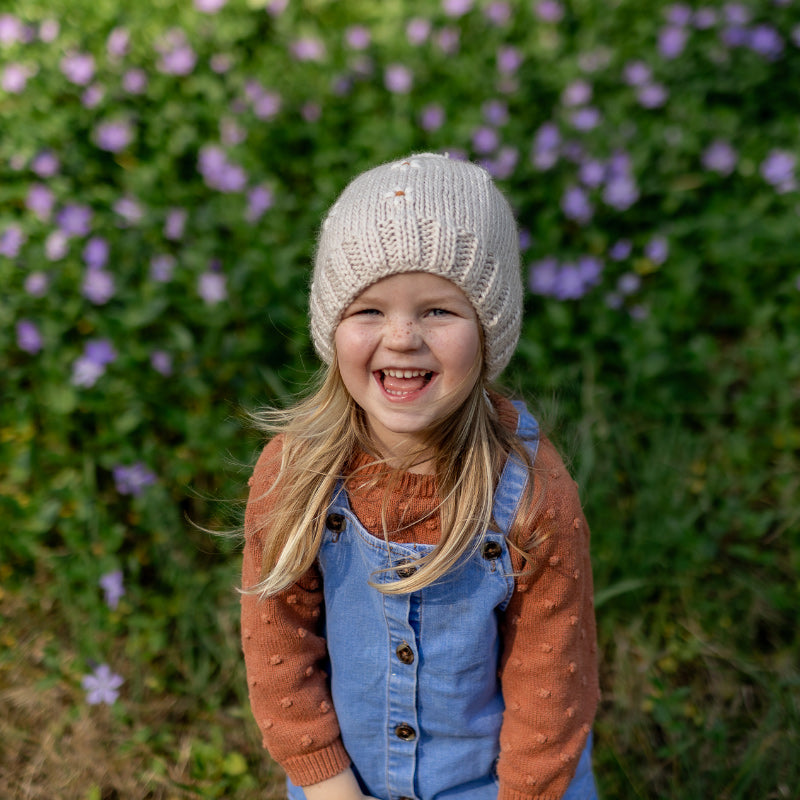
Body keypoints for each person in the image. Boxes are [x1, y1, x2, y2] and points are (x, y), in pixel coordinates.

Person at [241, 153, 600, 800]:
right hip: (343, 783)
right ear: (332, 328)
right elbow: (280, 654)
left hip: (498, 784)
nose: (402, 336)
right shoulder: (296, 475)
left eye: (438, 311)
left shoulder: (530, 490)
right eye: (369, 311)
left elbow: (552, 688)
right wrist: (329, 785)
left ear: (489, 334)